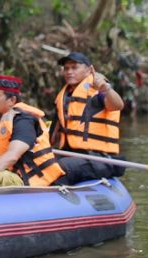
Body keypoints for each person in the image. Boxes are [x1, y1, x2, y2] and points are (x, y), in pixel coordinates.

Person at [0, 75, 67, 189]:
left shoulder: (23, 120)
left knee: (2, 178)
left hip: (22, 180)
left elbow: (12, 156)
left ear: (12, 100)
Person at [50, 51, 125, 183]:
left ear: (88, 69)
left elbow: (117, 105)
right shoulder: (64, 96)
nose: (69, 72)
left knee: (60, 168)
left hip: (100, 158)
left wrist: (104, 88)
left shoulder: (96, 91)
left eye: (74, 67)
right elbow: (53, 134)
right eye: (66, 68)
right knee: (41, 164)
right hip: (72, 154)